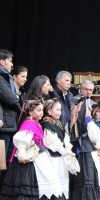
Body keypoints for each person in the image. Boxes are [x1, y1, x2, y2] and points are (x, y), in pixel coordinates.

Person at [68, 97, 100, 200]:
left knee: (86, 178)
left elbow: (92, 137)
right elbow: (92, 136)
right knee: (87, 177)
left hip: (84, 150)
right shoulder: (83, 119)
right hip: (84, 150)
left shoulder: (81, 120)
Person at [0, 99, 44, 199]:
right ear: (30, 112)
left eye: (42, 110)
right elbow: (21, 142)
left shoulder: (35, 123)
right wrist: (22, 156)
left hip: (34, 160)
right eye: (38, 110)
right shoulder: (29, 123)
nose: (41, 113)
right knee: (24, 190)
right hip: (26, 163)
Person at [40, 98, 77, 199]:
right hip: (52, 158)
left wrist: (68, 150)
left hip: (61, 157)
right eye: (57, 110)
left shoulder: (58, 123)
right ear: (48, 111)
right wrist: (65, 151)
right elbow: (52, 142)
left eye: (60, 110)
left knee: (62, 183)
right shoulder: (47, 124)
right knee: (54, 185)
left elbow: (65, 138)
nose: (60, 112)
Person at [0, 49, 21, 188]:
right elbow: (10, 98)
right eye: (10, 61)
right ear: (2, 62)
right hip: (4, 126)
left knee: (7, 162)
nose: (12, 65)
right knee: (1, 162)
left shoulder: (5, 76)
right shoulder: (1, 77)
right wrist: (17, 99)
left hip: (10, 124)